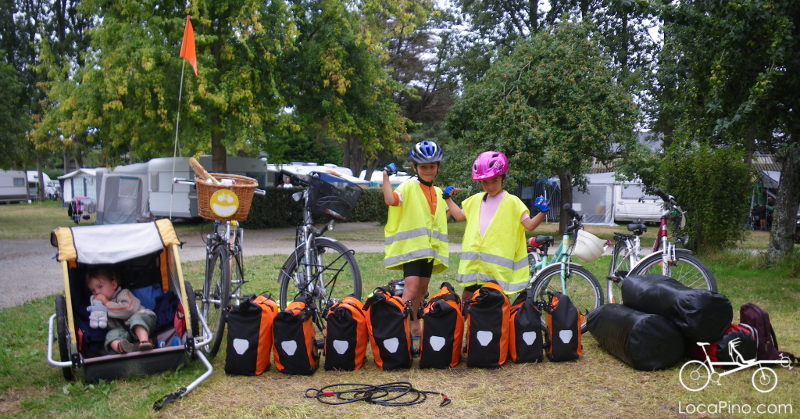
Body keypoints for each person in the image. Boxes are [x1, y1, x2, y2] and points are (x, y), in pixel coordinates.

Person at [382, 140, 458, 345]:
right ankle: (402, 327)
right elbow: (391, 200)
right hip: (412, 248)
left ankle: (415, 323)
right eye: (423, 166)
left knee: (422, 289)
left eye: (432, 166)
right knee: (412, 287)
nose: (428, 170)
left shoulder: (437, 191)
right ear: (415, 167)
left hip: (429, 250)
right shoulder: (408, 186)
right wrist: (385, 177)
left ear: (438, 167)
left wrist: (449, 198)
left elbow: (444, 216)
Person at [448, 151, 549, 300]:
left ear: (503, 178)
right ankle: (468, 323)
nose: (490, 186)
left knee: (497, 301)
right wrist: (447, 199)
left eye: (494, 180)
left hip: (497, 269)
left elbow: (530, 225)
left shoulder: (512, 202)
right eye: (485, 182)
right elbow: (459, 215)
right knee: (468, 297)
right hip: (475, 265)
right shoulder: (476, 199)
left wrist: (542, 212)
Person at [85, 266, 157, 354]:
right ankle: (122, 347)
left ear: (113, 285)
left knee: (136, 319)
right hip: (123, 330)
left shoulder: (123, 293)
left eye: (100, 287)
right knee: (110, 336)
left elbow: (129, 310)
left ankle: (144, 342)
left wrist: (107, 304)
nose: (96, 293)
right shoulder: (99, 307)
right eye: (93, 290)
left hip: (144, 320)